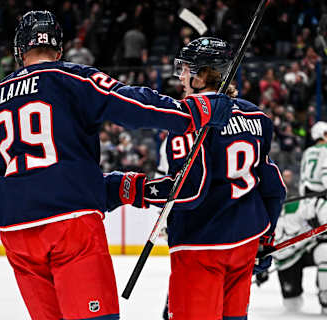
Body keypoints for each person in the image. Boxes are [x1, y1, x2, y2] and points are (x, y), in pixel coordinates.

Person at [0, 11, 233, 320]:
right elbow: (133, 105)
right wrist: (192, 112)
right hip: (70, 225)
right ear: (60, 49)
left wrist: (23, 183)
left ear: (19, 50)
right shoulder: (73, 78)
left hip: (16, 231)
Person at [110, 37, 286, 320]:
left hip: (202, 246)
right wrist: (266, 237)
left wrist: (129, 189)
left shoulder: (189, 120)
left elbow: (188, 192)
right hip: (246, 240)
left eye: (186, 69)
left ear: (204, 74)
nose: (180, 75)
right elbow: (273, 185)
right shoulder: (257, 116)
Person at [261, 121, 327, 315]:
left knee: (326, 251)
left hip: (308, 238)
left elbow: (324, 212)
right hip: (287, 259)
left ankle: (325, 290)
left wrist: (325, 219)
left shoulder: (307, 155)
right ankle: (321, 282)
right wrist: (261, 262)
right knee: (292, 306)